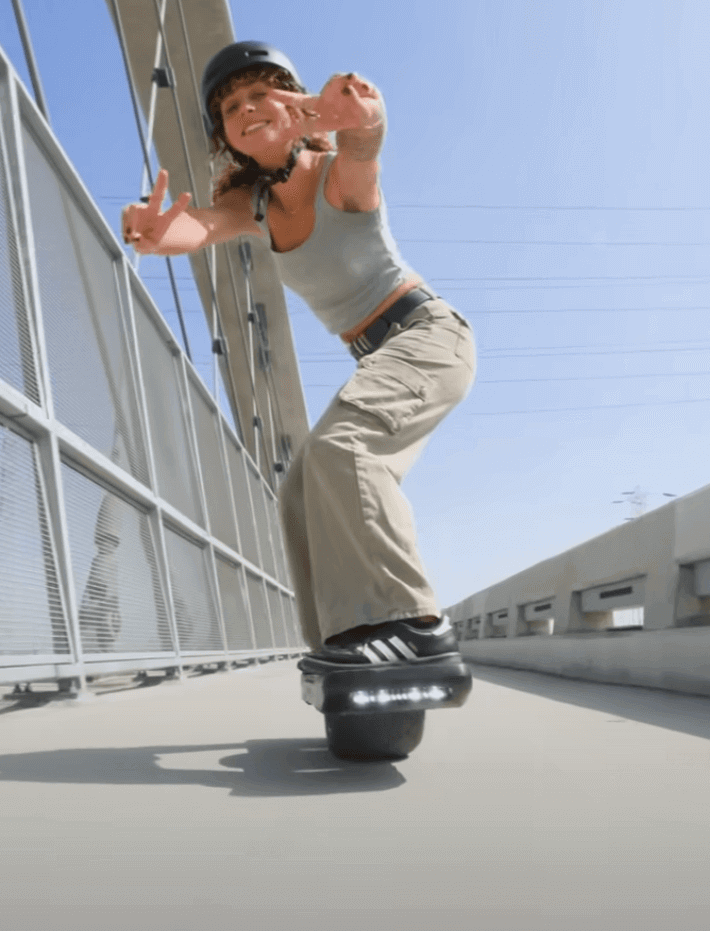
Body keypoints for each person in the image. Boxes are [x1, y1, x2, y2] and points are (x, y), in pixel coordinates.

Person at [120, 41, 474, 673]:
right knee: (301, 491)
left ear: (293, 97)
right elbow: (197, 227)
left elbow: (367, 138)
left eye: (261, 93)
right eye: (231, 106)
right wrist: (151, 234)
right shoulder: (251, 203)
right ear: (223, 133)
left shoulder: (337, 172)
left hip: (427, 336)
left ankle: (414, 624)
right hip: (379, 356)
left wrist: (354, 112)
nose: (246, 109)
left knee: (346, 451)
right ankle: (344, 643)